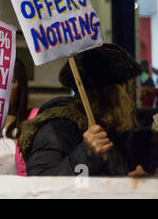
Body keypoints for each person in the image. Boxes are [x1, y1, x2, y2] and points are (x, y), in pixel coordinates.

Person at [18, 43, 158, 177]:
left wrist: (129, 184)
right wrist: (87, 154)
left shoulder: (109, 129)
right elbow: (42, 186)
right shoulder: (58, 128)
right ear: (111, 93)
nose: (132, 97)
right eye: (130, 89)